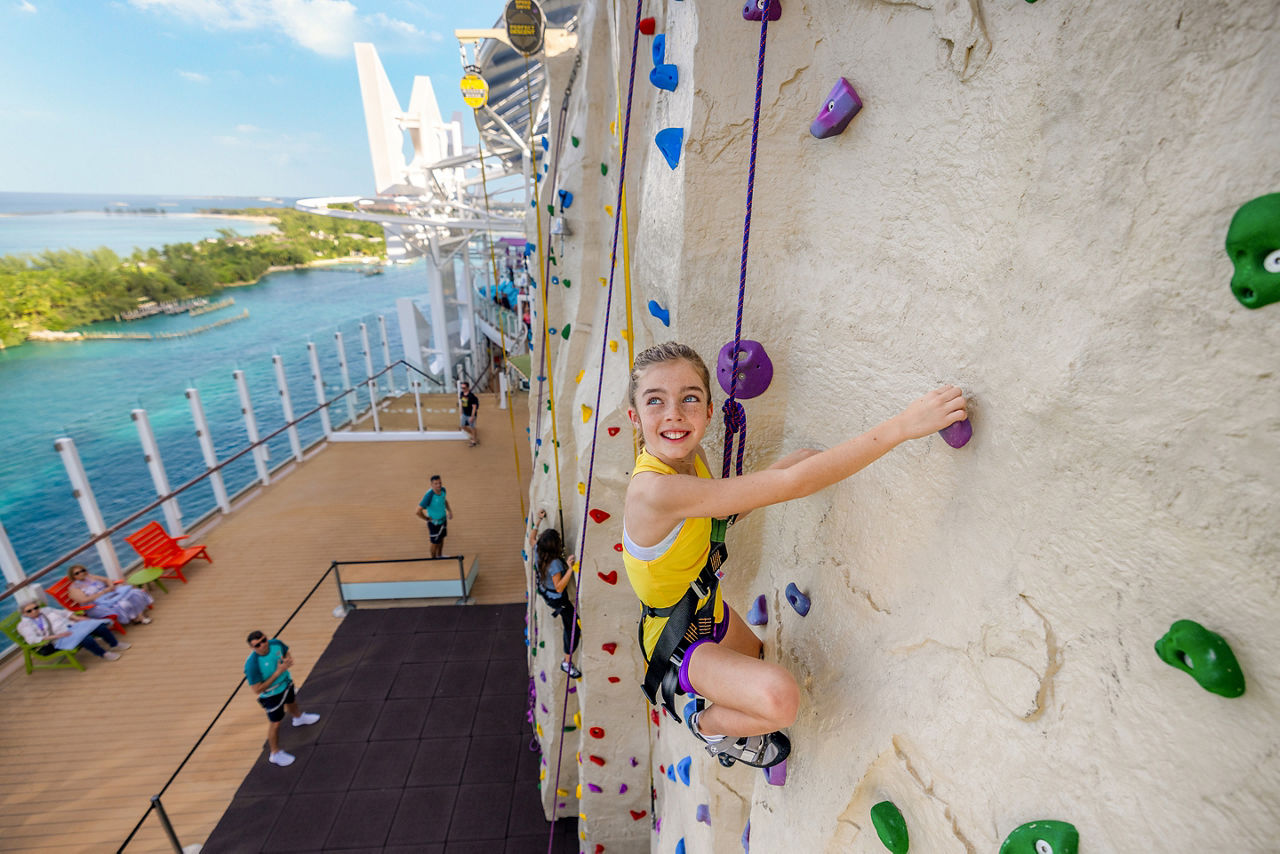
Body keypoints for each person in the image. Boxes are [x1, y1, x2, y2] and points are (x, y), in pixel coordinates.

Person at [621, 341, 967, 770]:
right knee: (780, 701)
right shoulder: (654, 489)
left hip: (703, 608)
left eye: (689, 397)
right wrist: (904, 425)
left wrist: (779, 468)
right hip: (675, 641)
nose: (674, 413)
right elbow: (794, 487)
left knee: (756, 659)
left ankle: (720, 706)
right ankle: (705, 725)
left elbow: (719, 515)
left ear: (709, 411)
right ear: (635, 418)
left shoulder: (691, 459)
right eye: (655, 401)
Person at [244, 630, 320, 767]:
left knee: (291, 701)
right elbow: (257, 689)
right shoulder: (252, 665)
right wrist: (278, 672)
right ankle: (274, 753)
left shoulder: (276, 644)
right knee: (276, 723)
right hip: (271, 695)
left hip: (286, 682)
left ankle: (298, 718)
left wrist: (287, 660)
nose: (262, 645)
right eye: (257, 645)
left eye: (263, 640)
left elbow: (286, 653)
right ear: (252, 648)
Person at [528, 510, 582, 678]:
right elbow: (559, 587)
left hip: (546, 593)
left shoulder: (538, 549)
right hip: (558, 599)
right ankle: (567, 662)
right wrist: (570, 568)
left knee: (570, 625)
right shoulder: (556, 564)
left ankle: (567, 660)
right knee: (573, 628)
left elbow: (531, 538)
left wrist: (538, 521)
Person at [16, 600, 130, 661]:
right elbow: (32, 639)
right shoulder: (24, 625)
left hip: (71, 626)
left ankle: (114, 644)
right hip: (59, 638)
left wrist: (79, 618)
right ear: (24, 613)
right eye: (29, 611)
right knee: (86, 639)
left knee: (99, 626)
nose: (34, 611)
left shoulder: (46, 610)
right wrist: (56, 636)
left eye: (35, 608)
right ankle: (104, 654)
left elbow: (64, 613)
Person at [65, 564, 154, 625]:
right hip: (95, 606)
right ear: (73, 576)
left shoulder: (91, 577)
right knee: (122, 603)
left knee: (134, 593)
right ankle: (138, 617)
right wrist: (104, 592)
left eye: (82, 570)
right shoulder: (74, 588)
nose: (81, 573)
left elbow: (107, 580)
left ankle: (138, 616)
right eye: (77, 573)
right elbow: (84, 600)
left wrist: (111, 586)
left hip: (109, 596)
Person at [416, 474, 453, 559]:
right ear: (432, 485)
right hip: (434, 523)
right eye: (436, 484)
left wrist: (450, 511)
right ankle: (433, 559)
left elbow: (445, 501)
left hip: (443, 521)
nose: (439, 485)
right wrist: (426, 518)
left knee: (442, 538)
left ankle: (440, 555)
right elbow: (417, 511)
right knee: (435, 543)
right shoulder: (429, 496)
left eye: (440, 483)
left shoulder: (443, 490)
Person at [458, 380, 480, 446]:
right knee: (462, 426)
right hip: (464, 414)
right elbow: (462, 403)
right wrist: (461, 412)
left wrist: (472, 416)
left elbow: (474, 407)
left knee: (472, 427)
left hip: (470, 414)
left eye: (464, 388)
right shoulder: (461, 393)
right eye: (462, 388)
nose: (463, 389)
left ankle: (474, 440)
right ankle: (473, 435)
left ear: (468, 388)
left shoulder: (471, 396)